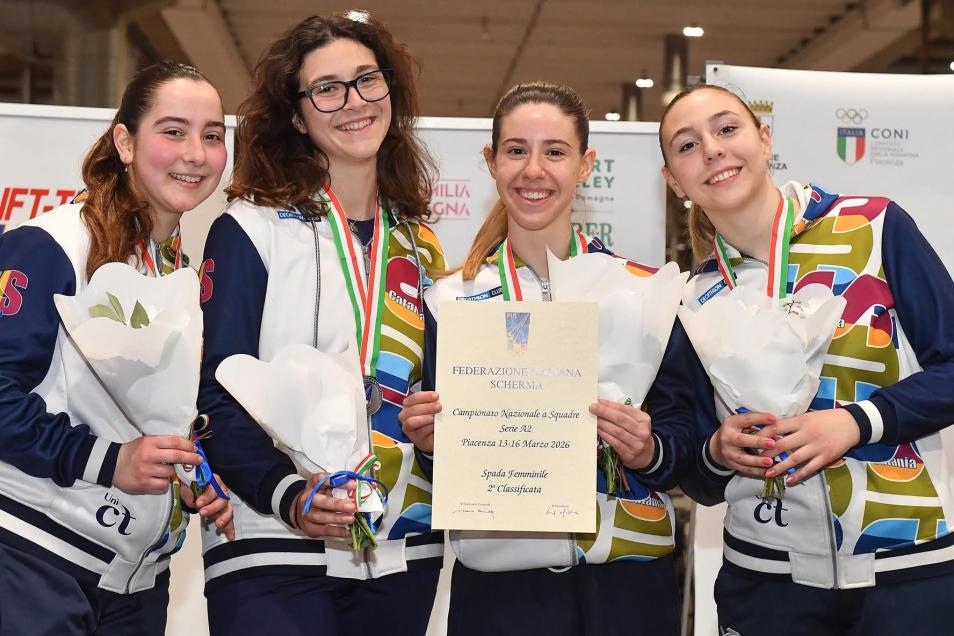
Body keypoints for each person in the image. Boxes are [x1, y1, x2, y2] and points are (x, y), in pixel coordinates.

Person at [400, 81, 708, 636]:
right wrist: (429, 445)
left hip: (630, 583)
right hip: (502, 593)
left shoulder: (642, 291)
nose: (533, 170)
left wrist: (650, 448)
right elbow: (445, 465)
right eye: (516, 150)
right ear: (492, 163)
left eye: (555, 152)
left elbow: (686, 430)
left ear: (586, 164)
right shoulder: (451, 301)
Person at [663, 84, 954, 635]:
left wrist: (854, 421)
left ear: (764, 139)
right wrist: (719, 450)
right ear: (675, 181)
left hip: (907, 570)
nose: (712, 150)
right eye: (686, 145)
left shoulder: (874, 227)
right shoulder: (693, 298)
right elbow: (700, 478)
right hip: (766, 584)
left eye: (727, 129)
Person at [197, 12, 446, 636]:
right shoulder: (248, 231)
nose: (354, 102)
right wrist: (286, 492)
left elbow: (448, 395)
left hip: (402, 547)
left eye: (368, 80)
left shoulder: (422, 247)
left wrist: (443, 429)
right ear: (297, 114)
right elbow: (212, 393)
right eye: (327, 89)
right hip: (272, 541)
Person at [0, 61, 233, 635]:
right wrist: (107, 460)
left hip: (134, 582)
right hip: (33, 559)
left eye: (212, 136)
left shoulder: (176, 270)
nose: (196, 154)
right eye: (173, 131)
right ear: (125, 142)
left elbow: (145, 414)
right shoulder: (52, 243)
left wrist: (195, 473)